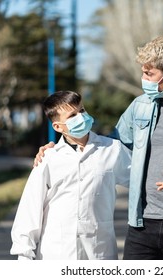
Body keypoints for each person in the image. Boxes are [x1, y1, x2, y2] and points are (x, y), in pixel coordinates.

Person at [34, 35, 163, 260]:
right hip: (141, 225)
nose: (143, 79)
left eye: (149, 73)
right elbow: (107, 146)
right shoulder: (140, 107)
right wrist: (61, 145)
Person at [10, 90, 131, 260]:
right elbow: (30, 208)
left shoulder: (112, 149)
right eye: (72, 115)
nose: (80, 117)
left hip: (99, 253)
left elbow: (142, 180)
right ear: (58, 127)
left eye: (81, 110)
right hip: (56, 254)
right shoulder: (48, 158)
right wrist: (24, 253)